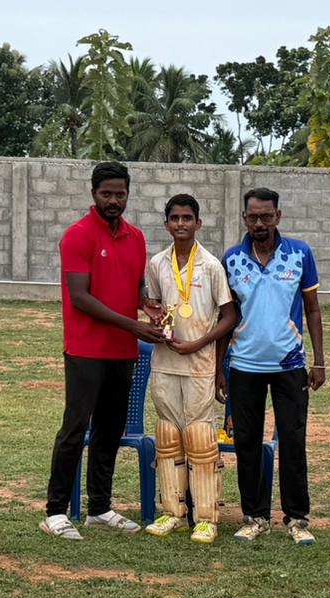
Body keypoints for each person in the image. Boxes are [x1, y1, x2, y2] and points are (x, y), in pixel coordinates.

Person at [41, 161, 162, 540]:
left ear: (128, 194)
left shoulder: (136, 237)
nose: (114, 200)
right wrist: (134, 324)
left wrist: (149, 306)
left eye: (120, 194)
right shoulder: (77, 236)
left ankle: (99, 508)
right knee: (75, 429)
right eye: (107, 193)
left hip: (122, 351)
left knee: (111, 430)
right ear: (93, 194)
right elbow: (80, 298)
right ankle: (56, 511)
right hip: (86, 349)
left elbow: (135, 287)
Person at [222, 187, 326, 545]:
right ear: (244, 219)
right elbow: (227, 315)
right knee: (247, 443)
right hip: (244, 365)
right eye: (253, 217)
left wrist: (320, 361)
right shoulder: (231, 259)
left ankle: (297, 519)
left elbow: (312, 309)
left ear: (278, 217)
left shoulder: (299, 253)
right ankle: (255, 517)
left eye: (267, 216)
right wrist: (222, 369)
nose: (260, 223)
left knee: (293, 442)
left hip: (290, 364)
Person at [141, 193, 236, 544]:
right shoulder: (157, 264)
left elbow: (229, 317)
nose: (181, 224)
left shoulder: (211, 265)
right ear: (166, 223)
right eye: (175, 218)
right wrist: (154, 321)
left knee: (199, 439)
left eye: (187, 218)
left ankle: (207, 518)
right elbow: (153, 305)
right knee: (167, 438)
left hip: (198, 363)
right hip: (165, 362)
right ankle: (172, 513)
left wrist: (198, 344)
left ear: (199, 222)